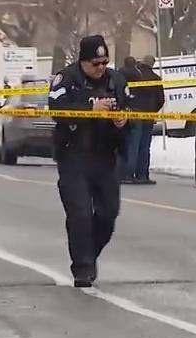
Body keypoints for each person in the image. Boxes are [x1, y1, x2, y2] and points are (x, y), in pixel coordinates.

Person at [48, 35, 128, 288]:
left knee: (108, 213)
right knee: (80, 214)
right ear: (83, 62)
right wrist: (89, 110)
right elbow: (56, 109)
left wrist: (122, 121)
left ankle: (89, 253)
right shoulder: (66, 79)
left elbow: (130, 110)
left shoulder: (116, 81)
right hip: (74, 156)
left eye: (104, 62)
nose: (101, 67)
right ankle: (82, 268)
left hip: (105, 156)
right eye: (95, 63)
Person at [119, 55, 164, 185]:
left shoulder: (133, 75)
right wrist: (152, 110)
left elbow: (125, 93)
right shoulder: (156, 79)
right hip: (148, 116)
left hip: (134, 113)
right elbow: (161, 100)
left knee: (133, 144)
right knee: (145, 146)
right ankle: (142, 175)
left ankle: (128, 174)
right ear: (152, 64)